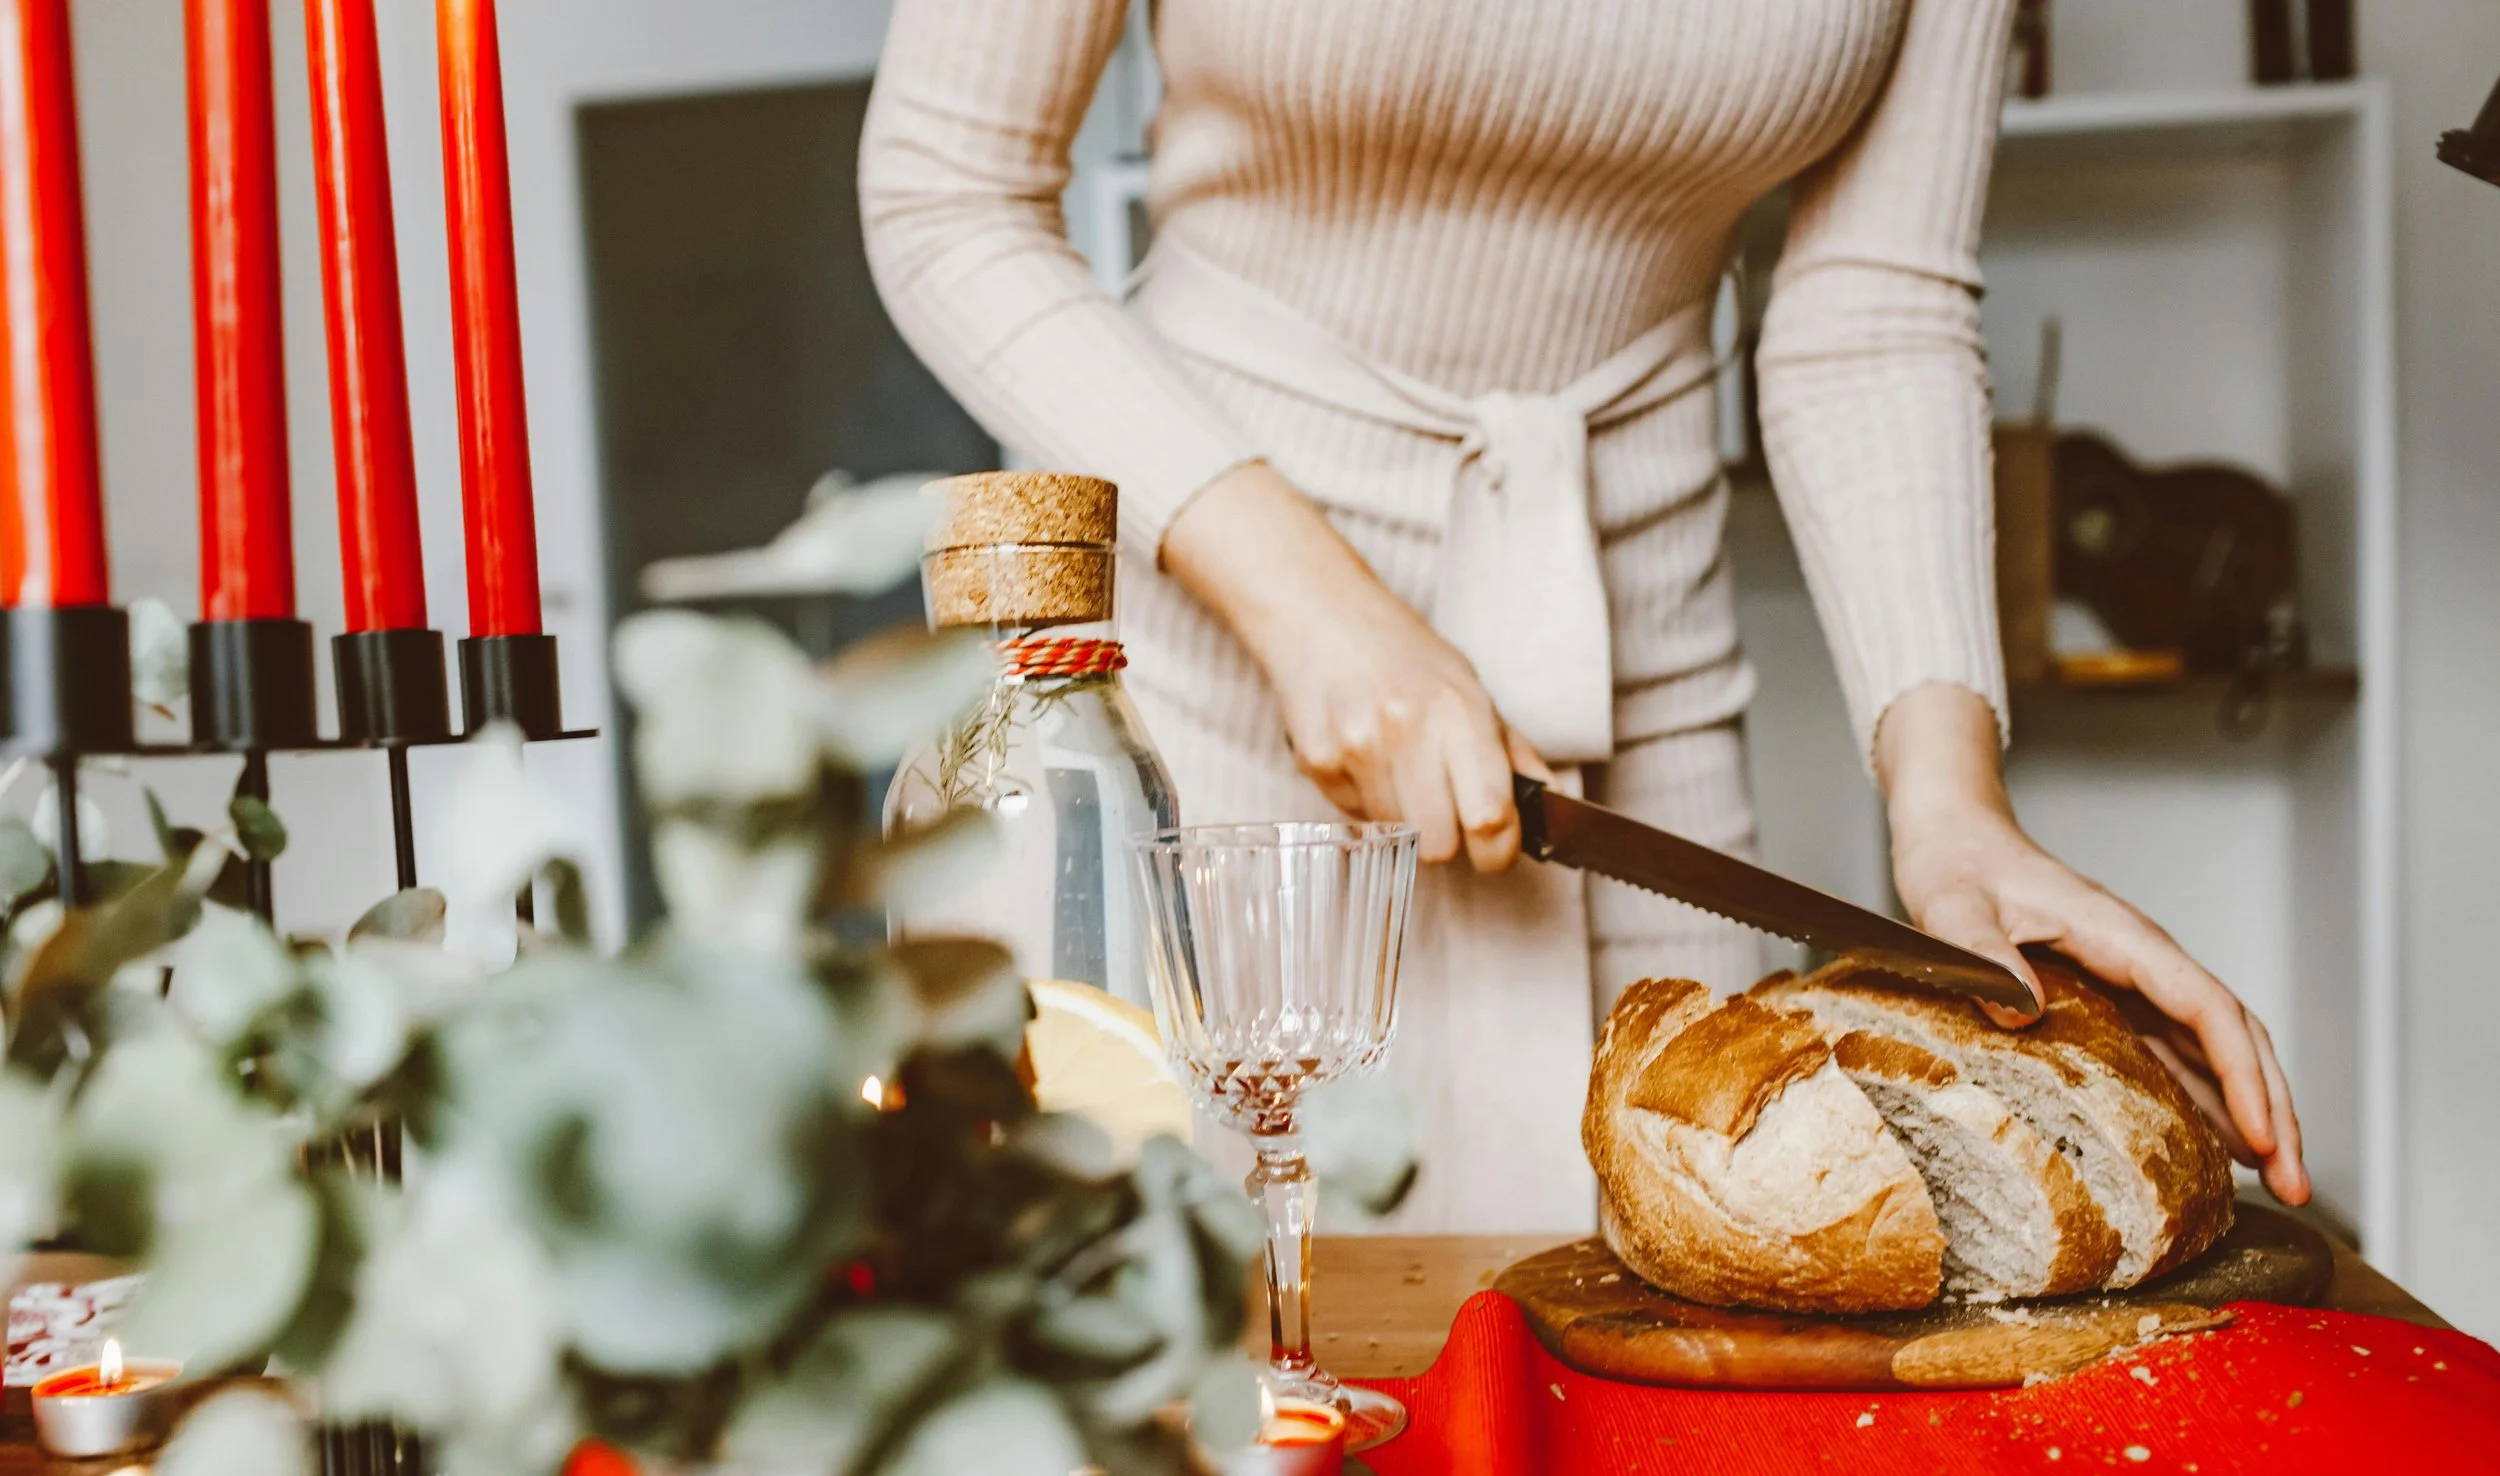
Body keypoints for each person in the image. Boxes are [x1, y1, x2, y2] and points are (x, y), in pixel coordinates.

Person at [860, 0, 2308, 1231]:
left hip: (1644, 701)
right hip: (1181, 709)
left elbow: (1872, 306)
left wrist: (1950, 800)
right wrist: (1311, 612)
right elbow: (947, 189)